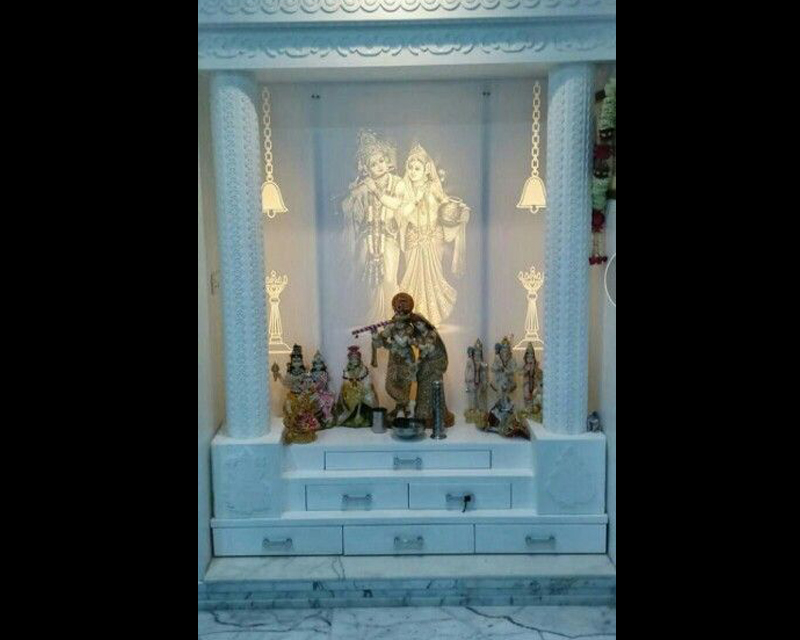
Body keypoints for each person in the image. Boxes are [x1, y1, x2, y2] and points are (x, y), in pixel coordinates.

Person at [397, 144, 469, 326]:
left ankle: (431, 317)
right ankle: (412, 317)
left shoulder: (434, 187)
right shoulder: (404, 188)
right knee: (412, 277)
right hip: (414, 237)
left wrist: (458, 209)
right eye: (410, 168)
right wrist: (415, 199)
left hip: (433, 237)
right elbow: (402, 213)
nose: (413, 172)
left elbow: (445, 204)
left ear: (426, 170)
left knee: (433, 277)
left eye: (417, 168)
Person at [341, 130, 408, 322]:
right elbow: (350, 211)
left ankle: (393, 317)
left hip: (389, 236)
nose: (379, 166)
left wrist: (375, 191)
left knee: (389, 278)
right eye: (373, 164)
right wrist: (355, 195)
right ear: (366, 168)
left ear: (387, 161)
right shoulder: (364, 186)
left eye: (381, 161)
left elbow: (399, 206)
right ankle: (376, 320)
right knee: (371, 280)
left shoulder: (398, 183)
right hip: (368, 238)